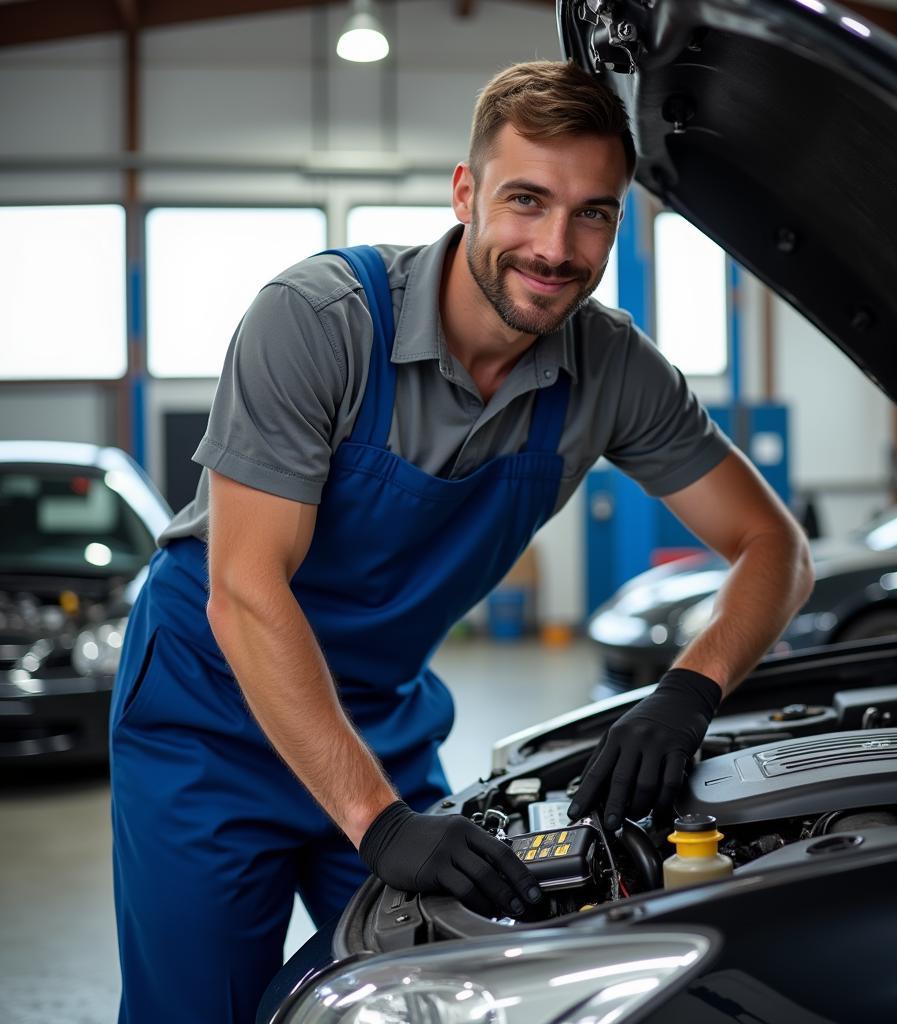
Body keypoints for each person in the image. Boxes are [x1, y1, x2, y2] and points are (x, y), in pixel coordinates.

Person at [109, 59, 813, 1023]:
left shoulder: (613, 371)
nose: (556, 247)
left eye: (593, 213)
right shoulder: (320, 322)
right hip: (208, 716)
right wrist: (381, 823)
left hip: (379, 716)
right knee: (198, 1008)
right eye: (527, 200)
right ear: (466, 192)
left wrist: (686, 692)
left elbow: (775, 547)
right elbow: (243, 591)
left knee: (454, 988)